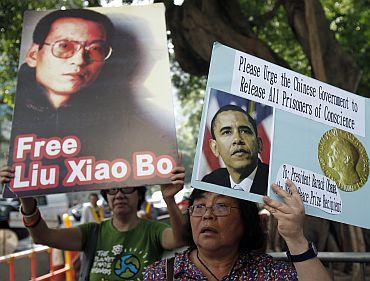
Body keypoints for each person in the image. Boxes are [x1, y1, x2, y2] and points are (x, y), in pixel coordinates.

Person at [0, 165, 187, 281]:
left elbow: (178, 240)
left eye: (127, 188)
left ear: (139, 194)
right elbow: (42, 236)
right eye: (112, 190)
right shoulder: (93, 232)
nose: (119, 195)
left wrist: (169, 200)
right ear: (106, 197)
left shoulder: (152, 230)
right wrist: (26, 200)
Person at [144, 180, 331, 280]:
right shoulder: (161, 274)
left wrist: (295, 238)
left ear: (245, 221)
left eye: (221, 206)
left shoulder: (269, 272)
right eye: (199, 207)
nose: (207, 215)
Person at [202, 105, 268, 195]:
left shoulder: (276, 183)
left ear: (259, 144)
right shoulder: (209, 182)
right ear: (215, 148)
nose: (237, 139)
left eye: (244, 131)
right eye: (227, 132)